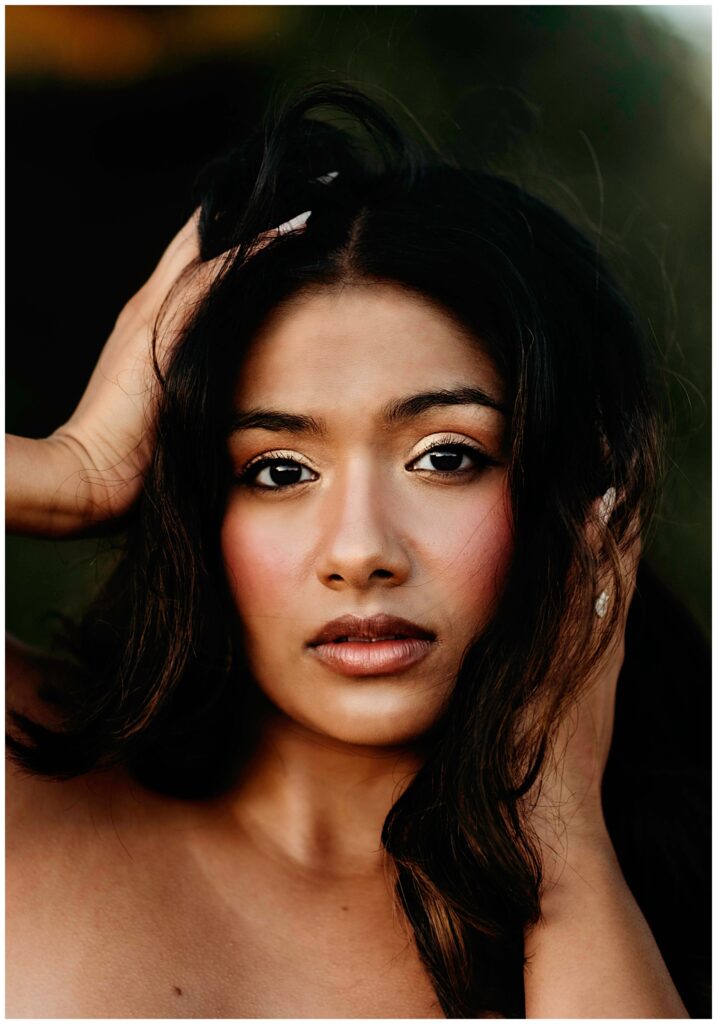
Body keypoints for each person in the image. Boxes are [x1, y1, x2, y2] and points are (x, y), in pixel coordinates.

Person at [5, 83, 707, 1018]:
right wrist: (68, 472)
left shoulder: (672, 903)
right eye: (279, 469)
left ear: (574, 493)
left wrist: (561, 849)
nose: (361, 551)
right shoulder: (24, 774)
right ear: (192, 504)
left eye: (444, 456)